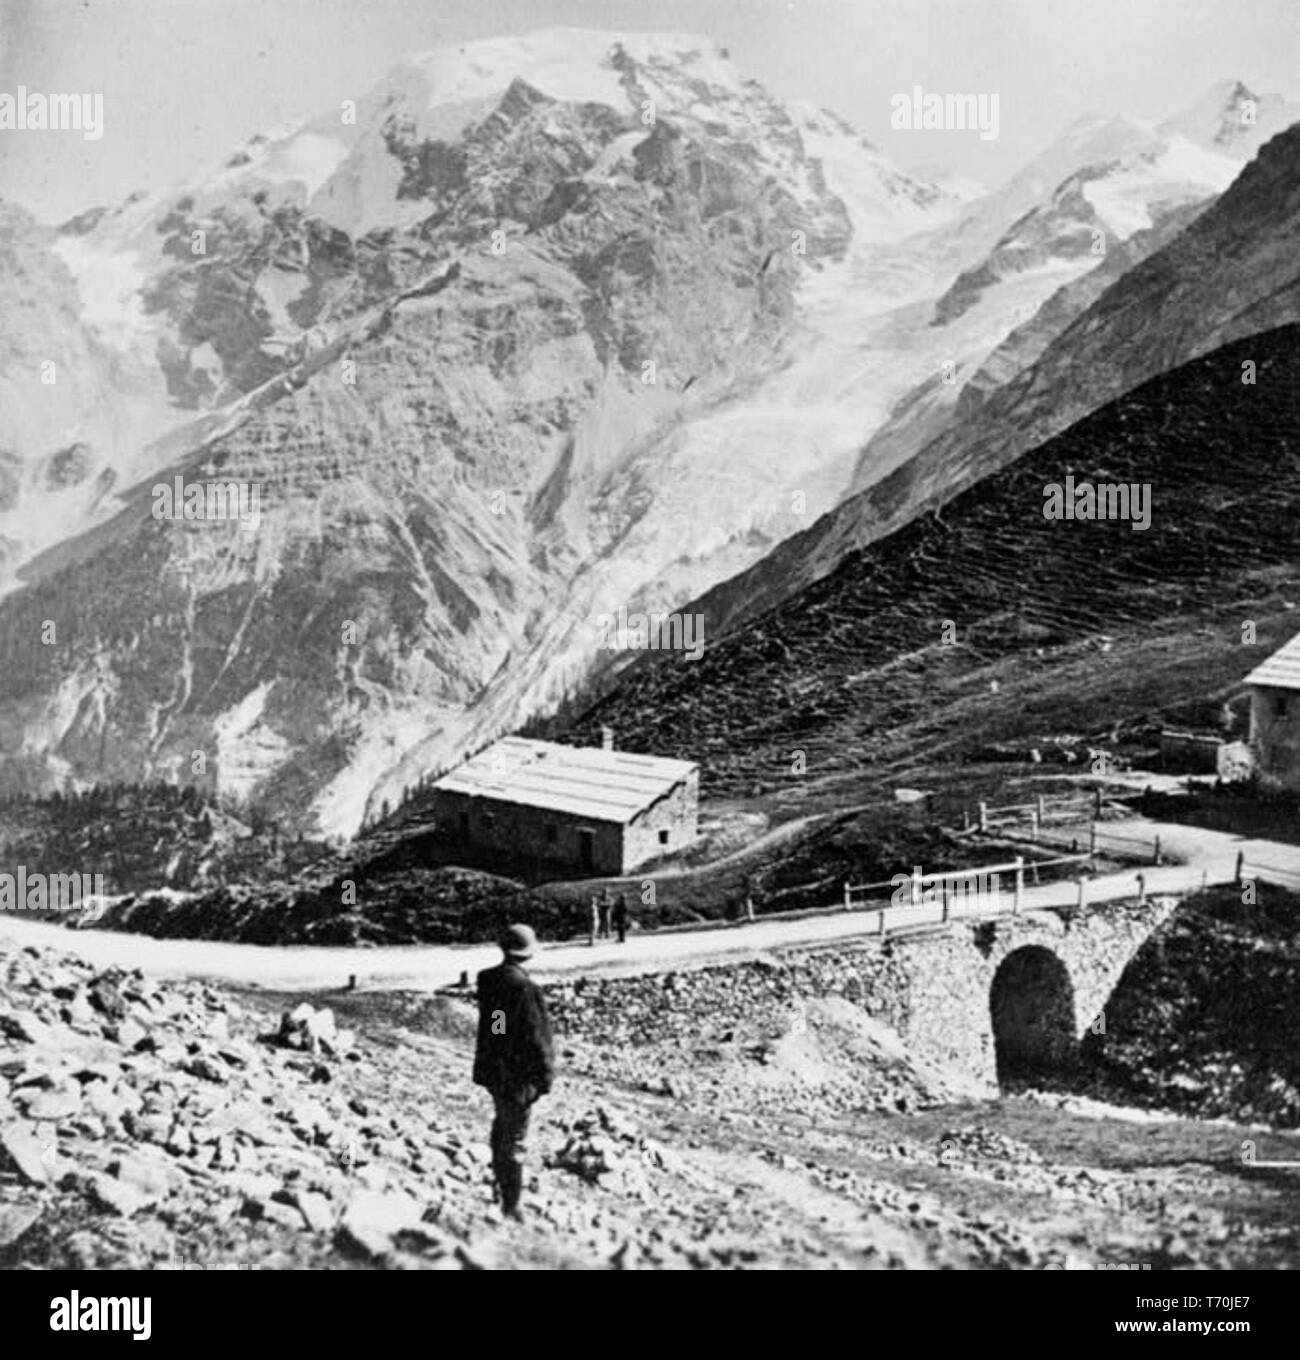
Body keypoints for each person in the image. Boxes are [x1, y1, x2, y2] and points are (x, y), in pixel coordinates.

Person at [472, 924, 555, 1221]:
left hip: (496, 1070)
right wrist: (544, 1076)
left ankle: (499, 1185)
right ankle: (512, 1204)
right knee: (516, 1137)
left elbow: (497, 1024)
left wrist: (498, 1053)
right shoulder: (525, 989)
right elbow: (536, 1036)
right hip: (519, 1075)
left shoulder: (490, 980)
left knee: (502, 1127)